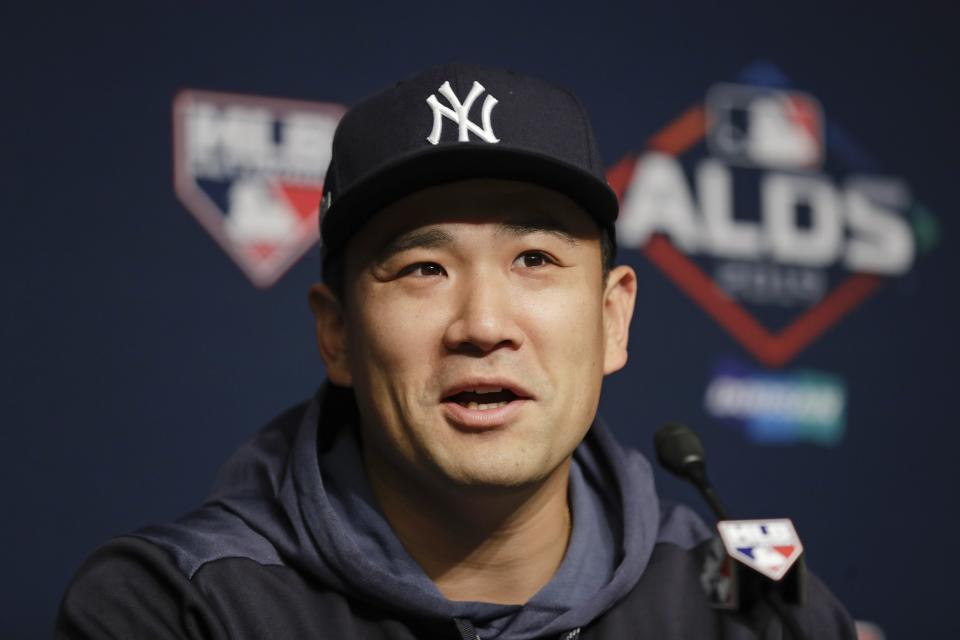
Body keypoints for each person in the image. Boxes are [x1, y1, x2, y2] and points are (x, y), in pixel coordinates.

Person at [56, 64, 855, 639]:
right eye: (423, 268)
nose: (482, 322)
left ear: (613, 320)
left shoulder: (755, 609)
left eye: (535, 260)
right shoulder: (178, 609)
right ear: (336, 333)